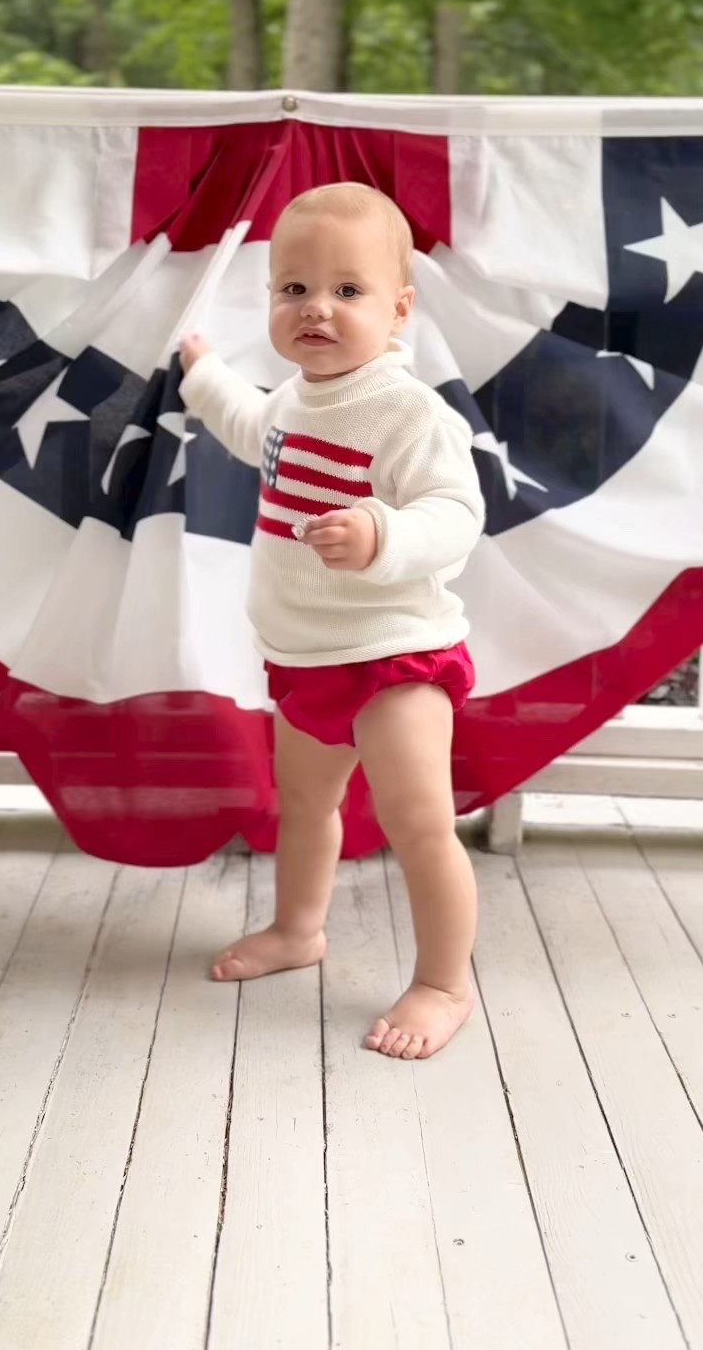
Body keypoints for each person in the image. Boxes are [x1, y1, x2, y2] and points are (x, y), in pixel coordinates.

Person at [179, 181, 485, 1059]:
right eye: (293, 289)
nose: (317, 308)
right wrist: (203, 371)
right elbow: (250, 428)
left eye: (347, 291)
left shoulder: (408, 411)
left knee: (420, 820)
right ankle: (297, 931)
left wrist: (382, 532)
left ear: (399, 310)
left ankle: (441, 982)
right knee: (307, 804)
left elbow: (456, 515)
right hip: (305, 651)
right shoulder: (293, 398)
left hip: (396, 653)